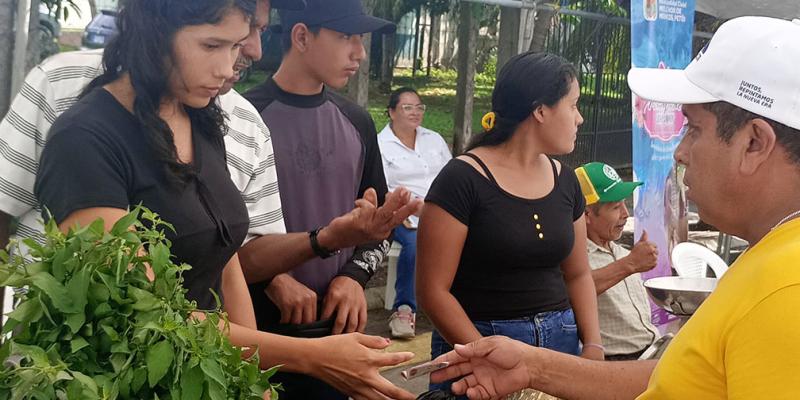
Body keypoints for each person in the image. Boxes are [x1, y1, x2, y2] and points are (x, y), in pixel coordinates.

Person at [22, 1, 417, 400]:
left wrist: (252, 381)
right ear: (153, 32)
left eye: (234, 47)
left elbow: (225, 260)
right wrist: (308, 357)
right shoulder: (86, 140)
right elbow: (140, 312)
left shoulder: (200, 116)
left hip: (209, 373)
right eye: (211, 46)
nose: (228, 68)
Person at [429, 16, 800, 400]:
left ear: (754, 143)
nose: (680, 152)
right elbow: (681, 376)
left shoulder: (786, 292)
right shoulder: (773, 261)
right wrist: (533, 366)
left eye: (694, 129)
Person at [241, 0, 409, 398]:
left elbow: (378, 225)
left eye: (360, 39)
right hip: (257, 329)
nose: (359, 52)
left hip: (337, 333)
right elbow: (218, 230)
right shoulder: (243, 116)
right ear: (301, 36)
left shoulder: (357, 121)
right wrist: (271, 277)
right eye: (344, 37)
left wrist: (354, 277)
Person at [416, 51, 604, 396]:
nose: (579, 119)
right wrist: (484, 356)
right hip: (477, 347)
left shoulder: (565, 180)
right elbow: (432, 292)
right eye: (573, 105)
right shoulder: (462, 179)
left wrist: (592, 346)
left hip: (559, 345)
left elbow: (577, 274)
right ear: (541, 110)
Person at [378, 87, 451, 338]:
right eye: (407, 107)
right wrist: (410, 211)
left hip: (441, 210)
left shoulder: (434, 139)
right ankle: (405, 309)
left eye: (419, 107)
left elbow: (451, 176)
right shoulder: (381, 145)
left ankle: (457, 303)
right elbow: (383, 189)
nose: (415, 112)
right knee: (417, 241)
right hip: (401, 213)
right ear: (391, 112)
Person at [575, 162, 660, 360]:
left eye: (624, 203)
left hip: (652, 348)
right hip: (616, 360)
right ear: (586, 214)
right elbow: (574, 288)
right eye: (615, 207)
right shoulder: (576, 260)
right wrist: (630, 264)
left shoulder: (621, 252)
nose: (626, 213)